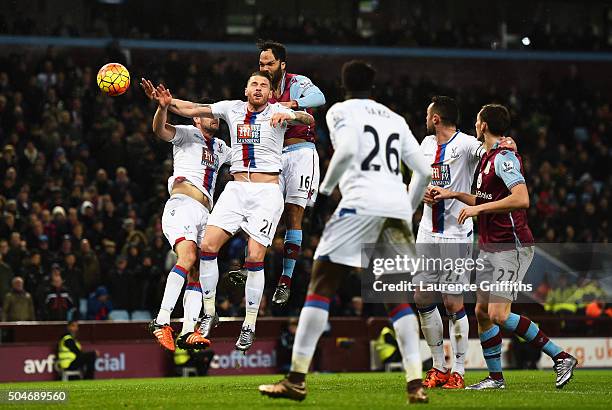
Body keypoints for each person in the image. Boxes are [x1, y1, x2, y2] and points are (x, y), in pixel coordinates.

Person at [258, 60, 431, 403]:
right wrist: (405, 209)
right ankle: (415, 384)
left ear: (343, 85)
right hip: (396, 207)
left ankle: (296, 379)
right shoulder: (395, 119)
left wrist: (323, 193)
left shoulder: (340, 111)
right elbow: (423, 172)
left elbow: (349, 149)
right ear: (374, 87)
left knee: (321, 284)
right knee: (395, 298)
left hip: (360, 203)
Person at [430, 104, 577, 390]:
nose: (474, 125)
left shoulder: (504, 158)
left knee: (498, 314)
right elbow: (485, 199)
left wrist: (479, 211)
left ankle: (561, 357)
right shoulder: (487, 158)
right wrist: (454, 195)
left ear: (483, 125)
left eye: (476, 121)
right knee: (482, 313)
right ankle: (496, 378)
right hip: (490, 246)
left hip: (511, 246)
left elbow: (521, 198)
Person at [164, 71, 314, 351]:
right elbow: (191, 108)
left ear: (270, 93)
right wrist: (166, 101)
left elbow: (310, 119)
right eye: (254, 84)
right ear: (246, 90)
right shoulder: (230, 108)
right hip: (235, 189)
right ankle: (209, 313)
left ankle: (249, 324)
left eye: (264, 86)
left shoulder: (278, 111)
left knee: (254, 256)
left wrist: (292, 116)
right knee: (207, 246)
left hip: (267, 191)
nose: (258, 89)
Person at [415, 96, 516, 389]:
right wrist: (421, 191)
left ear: (436, 118)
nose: (425, 118)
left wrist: (509, 144)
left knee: (452, 301)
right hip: (427, 231)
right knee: (422, 296)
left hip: (455, 233)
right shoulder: (425, 145)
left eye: (427, 114)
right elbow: (419, 177)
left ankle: (459, 370)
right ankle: (438, 366)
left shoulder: (467, 145)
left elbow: (495, 147)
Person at [229, 40, 326, 305]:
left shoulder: (296, 82)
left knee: (293, 216)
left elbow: (320, 98)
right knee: (264, 210)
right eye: (261, 63)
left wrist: (291, 105)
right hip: (273, 157)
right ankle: (248, 265)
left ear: (282, 64)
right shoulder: (260, 90)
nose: (265, 67)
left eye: (269, 63)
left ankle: (286, 280)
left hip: (301, 152)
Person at [139, 80, 231, 352]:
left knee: (197, 271)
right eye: (207, 114)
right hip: (183, 204)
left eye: (215, 115)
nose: (213, 118)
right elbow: (159, 130)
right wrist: (163, 108)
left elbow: (244, 157)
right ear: (196, 117)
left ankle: (188, 331)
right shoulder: (187, 133)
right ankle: (162, 319)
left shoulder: (222, 147)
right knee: (188, 258)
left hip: (205, 211)